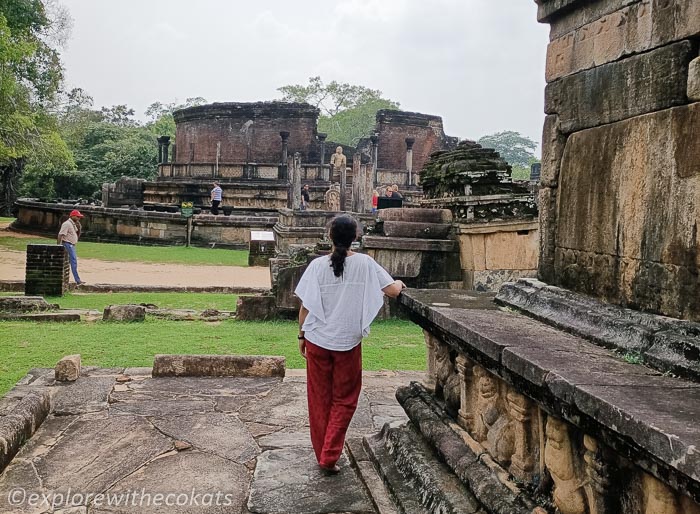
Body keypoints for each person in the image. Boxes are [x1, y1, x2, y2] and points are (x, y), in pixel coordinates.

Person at [294, 215, 406, 474]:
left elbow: (305, 308)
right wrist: (400, 283)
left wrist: (301, 336)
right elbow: (393, 291)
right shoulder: (365, 263)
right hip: (347, 343)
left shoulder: (317, 266)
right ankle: (329, 455)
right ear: (356, 237)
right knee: (344, 400)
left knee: (319, 399)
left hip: (317, 340)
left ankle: (324, 452)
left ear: (329, 236)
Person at [57, 209, 85, 285]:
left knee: (69, 262)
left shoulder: (72, 224)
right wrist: (58, 246)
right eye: (77, 217)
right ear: (72, 216)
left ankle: (76, 280)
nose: (79, 218)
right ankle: (78, 280)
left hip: (70, 244)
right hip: (67, 244)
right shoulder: (67, 224)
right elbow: (60, 234)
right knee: (73, 262)